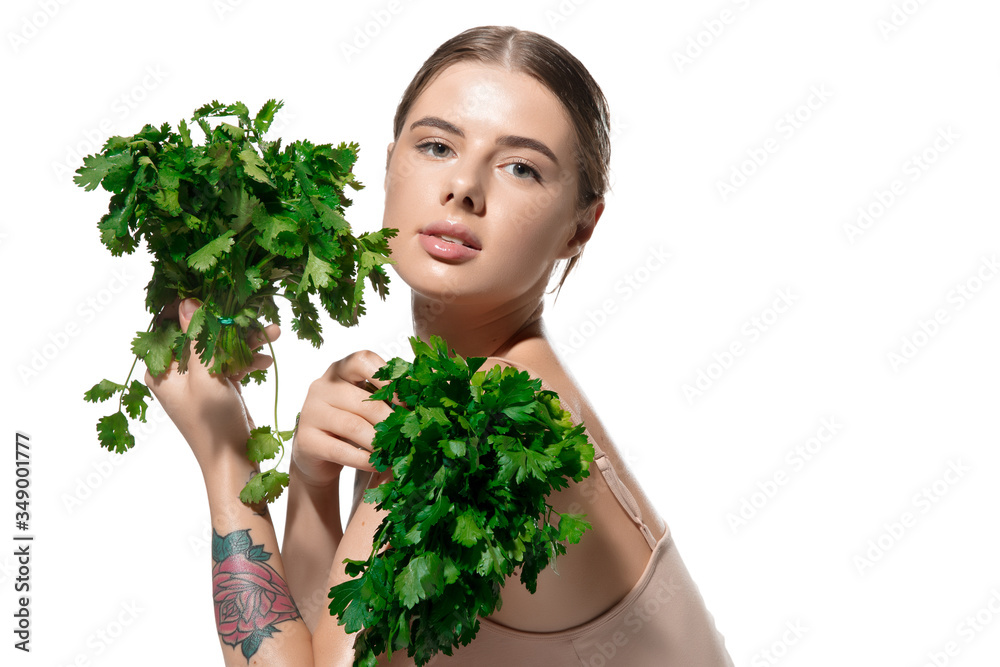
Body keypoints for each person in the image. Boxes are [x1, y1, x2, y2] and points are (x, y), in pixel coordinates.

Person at [147, 25, 735, 667]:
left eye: (520, 167)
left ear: (579, 227)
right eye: (435, 146)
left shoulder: (493, 420)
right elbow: (327, 645)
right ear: (390, 162)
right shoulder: (471, 386)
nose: (464, 187)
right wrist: (313, 483)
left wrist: (226, 452)